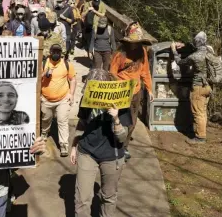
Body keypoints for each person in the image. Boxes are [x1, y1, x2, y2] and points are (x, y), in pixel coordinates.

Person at [71, 69, 131, 217]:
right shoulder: (87, 100)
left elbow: (122, 138)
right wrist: (74, 145)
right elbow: (82, 123)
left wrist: (116, 119)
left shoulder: (121, 102)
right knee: (82, 199)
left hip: (112, 155)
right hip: (87, 152)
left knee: (108, 197)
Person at [109, 22, 153, 159]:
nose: (135, 44)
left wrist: (150, 89)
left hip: (136, 91)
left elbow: (145, 72)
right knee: (120, 120)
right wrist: (118, 86)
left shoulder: (142, 52)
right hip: (121, 91)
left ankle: (125, 146)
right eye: (134, 42)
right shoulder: (120, 53)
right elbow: (112, 72)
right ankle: (116, 146)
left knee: (132, 123)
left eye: (138, 42)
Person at [170, 31, 213, 145]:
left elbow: (179, 62)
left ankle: (200, 138)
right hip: (208, 86)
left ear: (196, 42)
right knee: (202, 111)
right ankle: (202, 134)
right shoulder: (209, 51)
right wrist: (184, 45)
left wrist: (174, 50)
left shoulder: (195, 56)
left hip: (198, 86)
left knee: (197, 112)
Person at [41, 44, 77, 157]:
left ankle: (64, 146)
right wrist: (45, 74)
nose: (56, 54)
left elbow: (73, 79)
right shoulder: (43, 63)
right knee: (46, 119)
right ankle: (44, 133)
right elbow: (36, 78)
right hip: (46, 99)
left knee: (62, 121)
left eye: (58, 51)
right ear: (50, 52)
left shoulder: (66, 64)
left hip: (63, 99)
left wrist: (71, 94)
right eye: (54, 51)